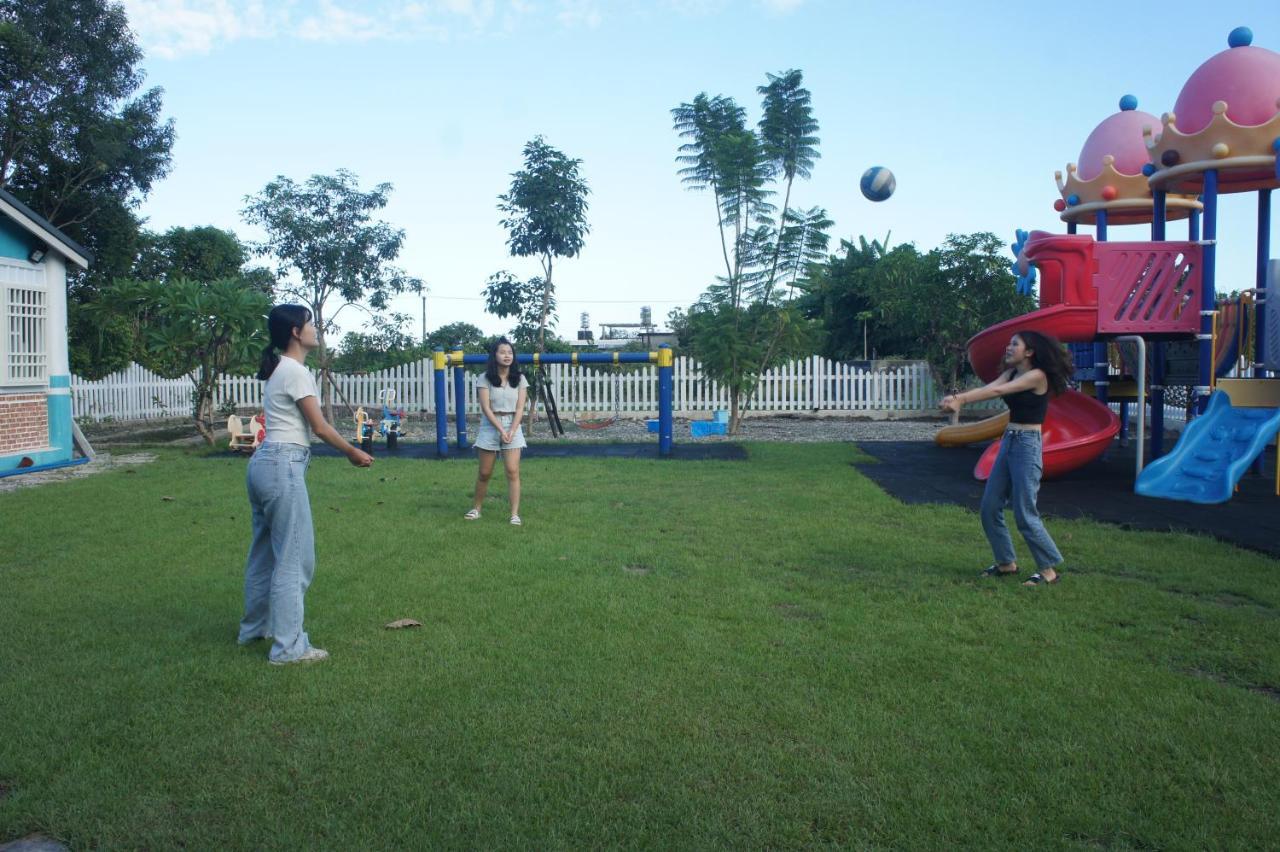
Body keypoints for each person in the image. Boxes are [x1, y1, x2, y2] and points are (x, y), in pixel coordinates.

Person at [238, 305, 373, 664]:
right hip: (282, 465)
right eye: (311, 324)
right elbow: (321, 427)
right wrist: (351, 451)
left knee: (264, 554)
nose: (316, 329)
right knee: (295, 560)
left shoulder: (279, 369)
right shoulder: (296, 371)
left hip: (263, 464)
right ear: (296, 332)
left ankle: (254, 629)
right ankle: (289, 648)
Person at [940, 330, 1073, 587]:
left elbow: (1000, 390)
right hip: (1009, 440)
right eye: (1009, 343)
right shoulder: (1012, 372)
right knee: (990, 506)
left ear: (1030, 351)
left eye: (1015, 344)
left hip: (1027, 445)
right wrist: (956, 397)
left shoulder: (1036, 376)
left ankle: (1049, 571)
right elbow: (990, 388)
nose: (1008, 348)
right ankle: (1006, 563)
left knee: (1025, 512)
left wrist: (962, 399)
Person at [465, 337, 528, 526]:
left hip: (513, 424)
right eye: (502, 352)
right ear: (495, 355)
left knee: (512, 470)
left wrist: (512, 429)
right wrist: (500, 429)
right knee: (484, 472)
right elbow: (486, 407)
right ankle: (476, 508)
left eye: (510, 352)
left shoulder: (520, 378)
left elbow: (520, 408)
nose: (507, 356)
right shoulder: (484, 378)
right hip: (490, 424)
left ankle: (514, 514)